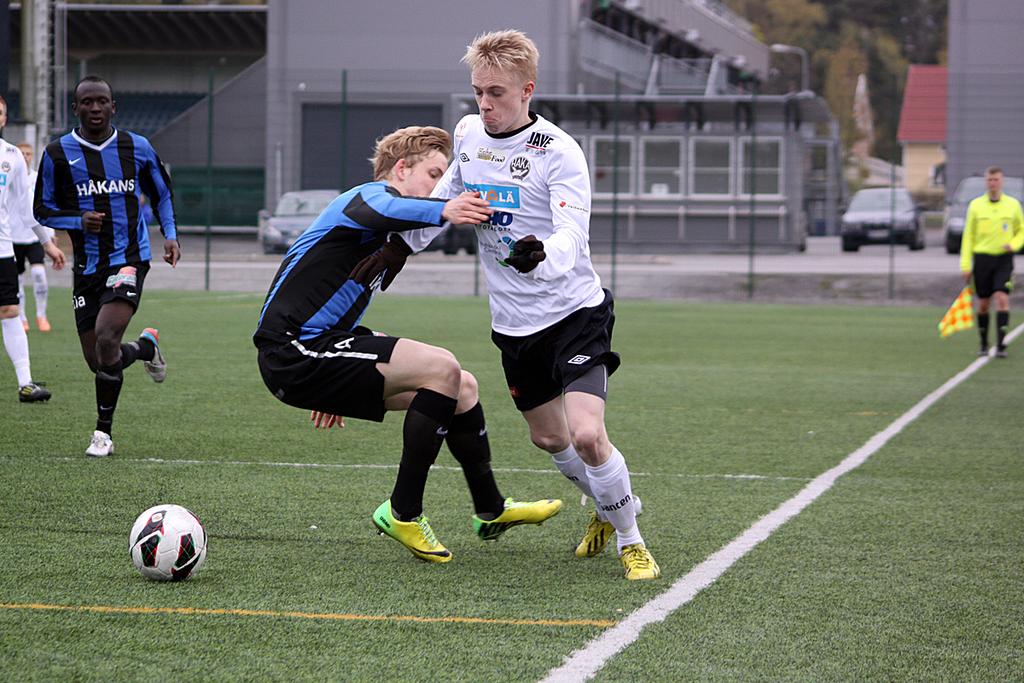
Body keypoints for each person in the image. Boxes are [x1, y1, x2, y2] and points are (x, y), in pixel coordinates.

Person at [362, 30, 660, 580]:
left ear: (526, 90)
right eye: (478, 91)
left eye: (496, 92)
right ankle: (607, 505)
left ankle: (630, 539)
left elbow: (573, 234)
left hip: (574, 312)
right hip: (515, 325)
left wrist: (540, 254)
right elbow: (451, 201)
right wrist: (401, 243)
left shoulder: (560, 152)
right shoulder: (469, 134)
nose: (484, 104)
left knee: (588, 433)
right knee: (549, 438)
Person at [254, 125, 562, 564]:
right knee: (442, 367)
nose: (440, 185)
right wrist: (446, 208)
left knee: (463, 387)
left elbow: (333, 300)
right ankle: (403, 512)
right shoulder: (362, 199)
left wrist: (340, 378)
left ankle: (490, 509)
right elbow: (385, 203)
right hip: (293, 350)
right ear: (401, 167)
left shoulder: (381, 234)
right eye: (434, 173)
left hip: (323, 348)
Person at [34, 76, 180, 457]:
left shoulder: (137, 147)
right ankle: (146, 348)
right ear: (75, 108)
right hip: (86, 268)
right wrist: (77, 220)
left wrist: (171, 234)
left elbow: (162, 193)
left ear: (114, 106)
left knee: (107, 336)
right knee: (100, 360)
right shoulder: (56, 154)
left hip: (128, 258)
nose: (95, 108)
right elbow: (42, 210)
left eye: (102, 102)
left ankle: (103, 435)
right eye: (87, 102)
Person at [0, 95, 65, 403]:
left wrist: (47, 243)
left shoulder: (11, 157)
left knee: (10, 310)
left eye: (0, 113)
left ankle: (25, 384)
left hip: (2, 248)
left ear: (4, 119)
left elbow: (26, 212)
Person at [960, 166, 1024, 358]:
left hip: (1004, 260)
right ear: (986, 182)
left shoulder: (1013, 205)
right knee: (983, 304)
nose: (993, 183)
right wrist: (965, 265)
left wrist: (1014, 244)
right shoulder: (976, 206)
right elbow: (968, 237)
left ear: (1001, 181)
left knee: (1002, 298)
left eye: (996, 180)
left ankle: (1002, 345)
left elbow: (1021, 230)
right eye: (990, 180)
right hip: (982, 260)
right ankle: (983, 343)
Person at [13, 141, 53, 333]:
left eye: (28, 153)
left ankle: (41, 315)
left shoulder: (38, 179)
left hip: (34, 236)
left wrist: (50, 236)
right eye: (21, 153)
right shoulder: (8, 176)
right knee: (17, 280)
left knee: (39, 274)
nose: (25, 156)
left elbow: (45, 207)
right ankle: (22, 317)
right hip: (12, 237)